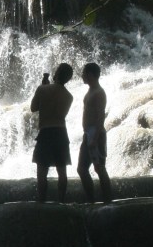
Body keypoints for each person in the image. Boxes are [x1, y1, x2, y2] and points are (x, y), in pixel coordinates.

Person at [30, 62, 74, 202]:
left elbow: (33, 108)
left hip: (46, 132)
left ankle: (42, 201)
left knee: (42, 172)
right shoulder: (69, 96)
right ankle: (61, 201)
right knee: (62, 171)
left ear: (55, 74)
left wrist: (43, 87)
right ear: (68, 78)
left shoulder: (43, 89)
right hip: (61, 133)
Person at [77, 62, 113, 203]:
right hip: (88, 133)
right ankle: (91, 200)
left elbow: (100, 116)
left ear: (90, 74)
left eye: (83, 73)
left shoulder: (99, 92)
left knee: (99, 168)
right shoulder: (91, 90)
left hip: (95, 134)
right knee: (82, 169)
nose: (81, 76)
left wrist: (95, 137)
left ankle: (107, 201)